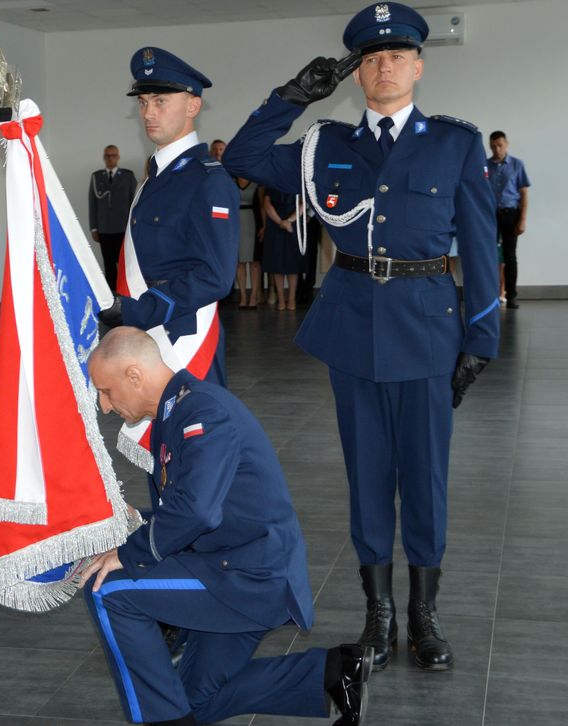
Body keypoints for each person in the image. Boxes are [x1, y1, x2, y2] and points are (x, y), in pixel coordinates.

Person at [224, 2, 499, 672]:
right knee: (367, 475)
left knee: (426, 478)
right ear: (356, 74)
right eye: (370, 59)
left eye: (396, 55)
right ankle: (377, 614)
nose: (383, 67)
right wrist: (291, 96)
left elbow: (480, 241)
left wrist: (482, 336)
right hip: (353, 331)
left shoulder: (455, 143)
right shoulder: (327, 147)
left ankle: (424, 613)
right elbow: (244, 156)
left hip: (429, 329)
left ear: (419, 66)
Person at [81, 327, 372, 726]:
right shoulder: (177, 414)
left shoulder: (201, 412)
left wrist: (130, 551)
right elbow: (189, 510)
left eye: (106, 391)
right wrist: (132, 524)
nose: (105, 406)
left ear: (134, 376)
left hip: (248, 576)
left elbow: (197, 512)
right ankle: (330, 671)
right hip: (230, 569)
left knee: (108, 589)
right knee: (191, 700)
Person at [98, 47, 237, 393]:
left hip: (183, 341)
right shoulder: (153, 178)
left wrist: (138, 311)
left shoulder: (209, 180)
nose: (148, 112)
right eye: (143, 102)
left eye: (160, 101)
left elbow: (214, 277)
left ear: (193, 106)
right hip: (147, 340)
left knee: (191, 442)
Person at [487, 130, 530, 309]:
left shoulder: (517, 165)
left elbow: (524, 193)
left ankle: (511, 295)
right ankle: (490, 295)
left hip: (510, 214)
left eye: (500, 145)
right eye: (493, 146)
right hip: (489, 215)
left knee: (510, 256)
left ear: (506, 144)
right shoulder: (484, 166)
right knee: (489, 256)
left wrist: (522, 219)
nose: (497, 149)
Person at [88, 145, 137, 291]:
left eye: (113, 155)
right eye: (107, 156)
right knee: (108, 264)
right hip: (104, 229)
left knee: (123, 263)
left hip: (122, 228)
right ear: (104, 158)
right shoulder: (96, 177)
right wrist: (94, 227)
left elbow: (134, 202)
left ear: (118, 157)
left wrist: (133, 227)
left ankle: (123, 291)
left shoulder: (128, 176)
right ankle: (112, 294)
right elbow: (93, 203)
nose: (110, 158)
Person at [261, 187, 303, 311]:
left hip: (294, 222)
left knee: (293, 263)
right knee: (276, 262)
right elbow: (266, 203)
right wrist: (280, 222)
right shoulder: (271, 180)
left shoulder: (298, 180)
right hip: (275, 222)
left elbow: (303, 203)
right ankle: (280, 299)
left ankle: (291, 299)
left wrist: (289, 220)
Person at [233, 177, 261, 308]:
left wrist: (264, 226)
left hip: (253, 221)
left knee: (254, 262)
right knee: (239, 263)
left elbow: (262, 205)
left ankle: (254, 296)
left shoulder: (256, 182)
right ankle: (243, 296)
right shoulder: (231, 180)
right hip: (235, 222)